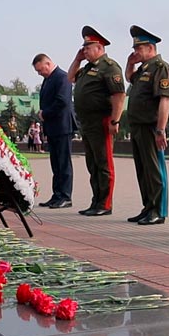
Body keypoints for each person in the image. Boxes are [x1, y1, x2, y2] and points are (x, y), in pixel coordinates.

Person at [69, 26, 125, 216]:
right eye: (83, 47)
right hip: (88, 123)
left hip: (102, 121)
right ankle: (96, 201)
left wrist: (115, 121)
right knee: (92, 164)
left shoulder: (109, 67)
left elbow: (119, 95)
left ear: (99, 47)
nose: (84, 50)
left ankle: (105, 204)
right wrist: (77, 60)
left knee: (104, 164)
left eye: (88, 47)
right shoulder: (87, 68)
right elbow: (70, 78)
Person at [124, 25, 169, 226]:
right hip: (138, 126)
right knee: (143, 170)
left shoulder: (160, 68)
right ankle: (148, 207)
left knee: (154, 170)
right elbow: (129, 78)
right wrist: (130, 63)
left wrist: (161, 129)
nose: (135, 52)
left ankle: (158, 210)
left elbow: (164, 100)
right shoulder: (144, 69)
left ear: (150, 48)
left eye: (139, 48)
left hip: (151, 126)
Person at [33, 53, 76, 208]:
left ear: (48, 63)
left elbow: (62, 102)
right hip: (53, 127)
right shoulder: (49, 79)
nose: (40, 73)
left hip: (62, 126)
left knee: (64, 163)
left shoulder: (62, 77)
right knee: (56, 164)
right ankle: (57, 195)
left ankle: (65, 196)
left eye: (40, 70)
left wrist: (45, 113)